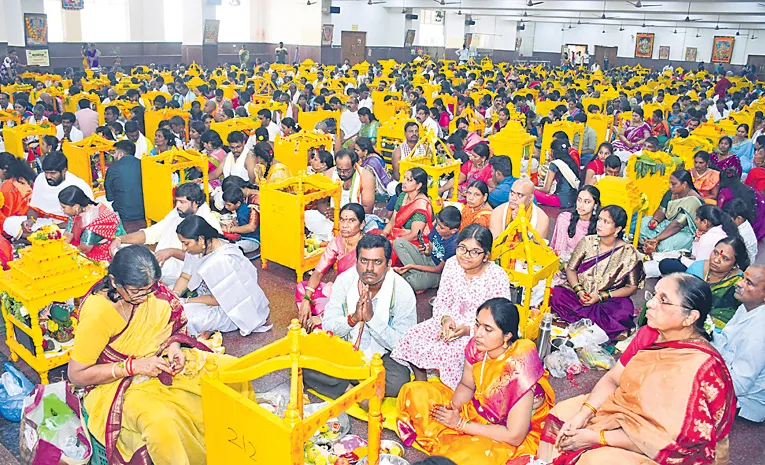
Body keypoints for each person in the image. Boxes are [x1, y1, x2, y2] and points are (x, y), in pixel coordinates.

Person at [68, 245, 253, 465]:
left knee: (233, 371)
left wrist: (173, 349)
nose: (144, 298)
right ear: (114, 281)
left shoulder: (153, 292)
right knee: (160, 422)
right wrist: (133, 367)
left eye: (149, 290)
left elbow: (173, 326)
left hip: (160, 363)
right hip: (118, 383)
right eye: (136, 292)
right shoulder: (99, 312)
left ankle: (243, 447)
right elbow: (77, 374)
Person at [539, 273, 735, 465]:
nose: (650, 304)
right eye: (654, 295)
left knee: (596, 460)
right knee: (563, 414)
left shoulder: (699, 367)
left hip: (666, 448)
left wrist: (596, 437)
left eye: (663, 300)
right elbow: (613, 379)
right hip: (625, 411)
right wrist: (584, 414)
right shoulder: (649, 333)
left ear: (690, 317)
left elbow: (669, 440)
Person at [397, 297, 555, 465]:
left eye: (488, 329)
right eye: (477, 324)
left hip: (503, 430)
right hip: (474, 410)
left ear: (507, 335)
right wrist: (452, 409)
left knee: (466, 459)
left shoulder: (518, 370)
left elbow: (514, 436)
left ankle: (457, 445)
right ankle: (452, 440)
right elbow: (466, 385)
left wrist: (460, 424)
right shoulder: (477, 348)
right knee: (414, 392)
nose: (478, 334)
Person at [393, 224, 512, 389]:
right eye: (462, 248)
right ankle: (421, 383)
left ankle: (451, 392)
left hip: (480, 331)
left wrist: (469, 330)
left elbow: (499, 319)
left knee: (449, 352)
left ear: (486, 256)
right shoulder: (451, 265)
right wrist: (445, 319)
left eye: (475, 252)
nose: (466, 256)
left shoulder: (497, 277)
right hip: (449, 322)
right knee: (412, 335)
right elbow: (442, 300)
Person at [303, 234, 416, 399]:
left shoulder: (402, 292)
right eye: (364, 261)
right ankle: (356, 393)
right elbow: (328, 325)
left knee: (398, 382)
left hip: (383, 356)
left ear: (389, 265)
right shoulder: (344, 281)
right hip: (346, 348)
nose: (369, 268)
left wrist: (371, 320)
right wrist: (353, 319)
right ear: (356, 261)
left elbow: (404, 345)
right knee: (304, 362)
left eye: (377, 262)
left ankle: (343, 384)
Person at [551, 205, 643, 339]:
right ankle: (593, 325)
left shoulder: (629, 253)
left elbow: (632, 287)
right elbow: (571, 269)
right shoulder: (587, 241)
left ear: (618, 229)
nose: (600, 224)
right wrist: (579, 291)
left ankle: (584, 322)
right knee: (557, 294)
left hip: (606, 300)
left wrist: (600, 296)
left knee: (624, 308)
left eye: (606, 222)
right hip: (578, 295)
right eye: (599, 219)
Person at [172, 216, 270, 337]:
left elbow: (218, 300)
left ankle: (212, 327)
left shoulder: (221, 260)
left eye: (186, 243)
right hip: (204, 297)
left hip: (230, 309)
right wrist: (174, 295)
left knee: (183, 317)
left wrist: (185, 301)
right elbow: (185, 277)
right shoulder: (197, 249)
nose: (183, 248)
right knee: (166, 296)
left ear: (201, 239)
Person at [110, 183, 221, 287]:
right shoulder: (178, 212)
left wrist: (172, 252)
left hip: (181, 275)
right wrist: (121, 239)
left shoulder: (208, 223)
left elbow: (203, 259)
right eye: (176, 201)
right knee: (122, 253)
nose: (177, 205)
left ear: (195, 203)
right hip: (159, 265)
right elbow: (152, 233)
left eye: (182, 202)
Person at [297, 203, 366, 332]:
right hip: (338, 291)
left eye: (351, 221)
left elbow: (362, 291)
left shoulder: (366, 248)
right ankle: (317, 319)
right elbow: (318, 272)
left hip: (355, 299)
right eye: (342, 220)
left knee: (324, 313)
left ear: (362, 224)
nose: (345, 225)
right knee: (302, 288)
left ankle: (323, 322)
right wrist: (306, 299)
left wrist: (323, 317)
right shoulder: (338, 241)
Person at [712, 264, 765, 423]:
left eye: (749, 283)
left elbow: (739, 386)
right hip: (726, 369)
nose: (739, 283)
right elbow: (725, 342)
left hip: (744, 401)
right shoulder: (748, 307)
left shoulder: (758, 334)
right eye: (743, 278)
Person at [5, 152, 94, 238]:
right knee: (9, 222)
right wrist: (30, 220)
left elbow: (86, 219)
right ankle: (37, 238)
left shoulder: (78, 184)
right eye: (46, 172)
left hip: (66, 226)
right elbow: (34, 208)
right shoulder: (40, 179)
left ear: (64, 170)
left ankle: (32, 239)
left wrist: (51, 228)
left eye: (53, 173)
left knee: (74, 233)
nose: (48, 176)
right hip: (45, 222)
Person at [393, 205, 461, 292]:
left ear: (453, 231)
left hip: (439, 273)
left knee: (410, 281)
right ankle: (418, 276)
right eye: (438, 224)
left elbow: (438, 269)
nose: (437, 228)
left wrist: (412, 266)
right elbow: (430, 250)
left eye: (441, 228)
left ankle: (415, 275)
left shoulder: (453, 245)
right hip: (429, 260)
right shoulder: (438, 226)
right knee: (398, 243)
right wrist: (426, 251)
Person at [686, 236, 749, 329]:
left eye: (725, 258)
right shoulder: (697, 268)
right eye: (715, 253)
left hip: (718, 331)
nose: (716, 260)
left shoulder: (740, 282)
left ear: (735, 265)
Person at [640, 170, 704, 254]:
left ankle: (652, 243)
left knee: (665, 245)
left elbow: (678, 225)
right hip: (667, 224)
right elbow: (661, 210)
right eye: (670, 183)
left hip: (684, 231)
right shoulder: (671, 193)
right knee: (643, 222)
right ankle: (651, 244)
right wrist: (655, 220)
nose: (670, 186)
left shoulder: (693, 200)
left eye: (673, 184)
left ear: (684, 184)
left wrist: (657, 239)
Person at [59, 185, 125, 262]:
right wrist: (60, 250)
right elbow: (67, 235)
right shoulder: (77, 211)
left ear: (75, 207)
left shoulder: (91, 223)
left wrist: (66, 255)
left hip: (100, 250)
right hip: (83, 243)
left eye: (64, 207)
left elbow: (85, 249)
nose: (62, 209)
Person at [381, 167, 433, 251]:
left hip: (414, 242)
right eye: (404, 178)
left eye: (409, 180)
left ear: (418, 185)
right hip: (397, 235)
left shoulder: (421, 205)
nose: (404, 182)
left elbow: (415, 235)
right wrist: (383, 234)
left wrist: (392, 242)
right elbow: (393, 220)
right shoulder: (402, 195)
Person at [550, 185, 600, 263]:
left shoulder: (599, 226)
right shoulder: (565, 218)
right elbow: (559, 250)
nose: (581, 205)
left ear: (595, 205)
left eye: (587, 202)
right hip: (562, 263)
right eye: (579, 200)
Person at [104, 140, 146, 234]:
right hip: (145, 212)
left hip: (124, 215)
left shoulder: (113, 169)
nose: (113, 156)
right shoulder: (144, 165)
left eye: (114, 153)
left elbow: (109, 197)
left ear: (121, 154)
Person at [718, 166, 765, 240]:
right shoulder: (752, 190)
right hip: (757, 227)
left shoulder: (725, 192)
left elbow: (719, 212)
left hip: (736, 226)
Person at [535, 139, 579, 208]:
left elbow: (546, 189)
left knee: (530, 192)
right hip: (572, 200)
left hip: (560, 201)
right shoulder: (571, 161)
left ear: (552, 152)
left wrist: (534, 187)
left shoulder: (555, 164)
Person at [0, 155, 36, 237]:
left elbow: (7, 212)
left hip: (21, 221)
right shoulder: (22, 178)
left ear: (4, 170)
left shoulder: (7, 185)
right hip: (32, 217)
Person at [221, 185, 261, 254]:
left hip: (252, 241)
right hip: (245, 238)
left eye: (228, 205)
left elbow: (248, 228)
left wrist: (231, 229)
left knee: (232, 248)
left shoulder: (243, 212)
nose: (226, 207)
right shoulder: (242, 208)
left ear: (238, 203)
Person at [722, 198, 758, 265]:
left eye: (729, 219)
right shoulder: (743, 224)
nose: (726, 221)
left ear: (739, 219)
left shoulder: (742, 234)